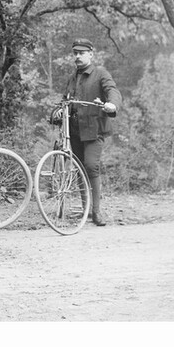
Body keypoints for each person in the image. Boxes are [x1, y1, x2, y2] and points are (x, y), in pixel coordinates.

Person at [55, 38, 123, 226]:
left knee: (91, 165)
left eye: (81, 53)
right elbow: (65, 100)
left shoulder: (100, 73)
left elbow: (113, 91)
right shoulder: (72, 78)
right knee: (79, 168)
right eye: (75, 53)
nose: (77, 56)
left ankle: (96, 211)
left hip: (94, 130)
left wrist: (112, 105)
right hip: (75, 131)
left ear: (91, 54)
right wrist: (61, 110)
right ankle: (86, 210)